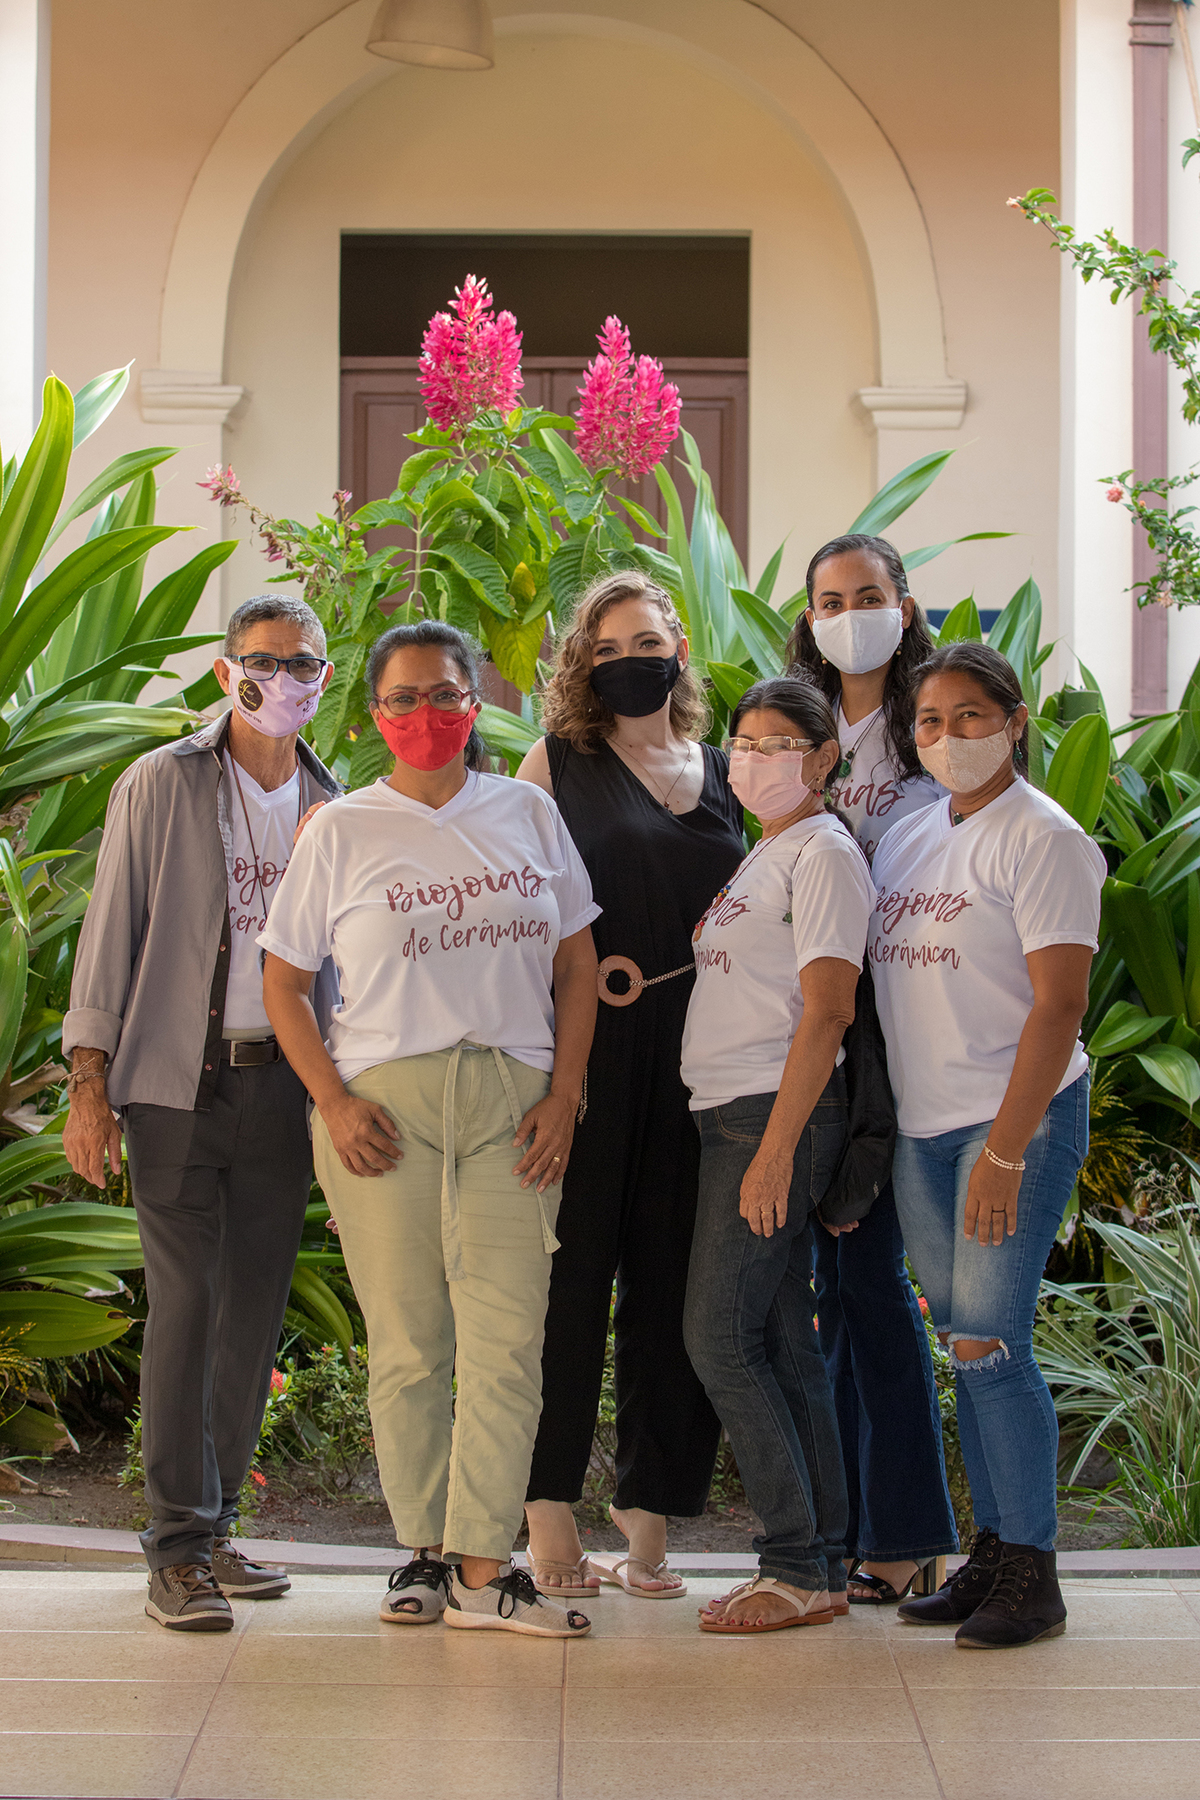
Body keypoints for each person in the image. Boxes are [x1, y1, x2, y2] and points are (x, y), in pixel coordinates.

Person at [260, 620, 600, 1639]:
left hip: (515, 1103)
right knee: (409, 1343)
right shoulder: (340, 829)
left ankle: (484, 1569)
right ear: (375, 714)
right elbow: (284, 983)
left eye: (445, 693)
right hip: (383, 1110)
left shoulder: (528, 811)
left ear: (473, 701)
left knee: (508, 1340)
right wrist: (333, 1100)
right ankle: (421, 1550)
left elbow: (578, 966)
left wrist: (566, 1094)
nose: (426, 713)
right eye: (403, 697)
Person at [62, 595, 339, 1631]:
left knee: (250, 1315)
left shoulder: (333, 800)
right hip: (178, 1084)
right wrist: (89, 1083)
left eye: (302, 663)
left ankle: (215, 1532)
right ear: (228, 672)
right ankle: (175, 1550)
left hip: (284, 1088)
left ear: (323, 677)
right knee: (186, 1308)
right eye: (262, 661)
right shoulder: (162, 781)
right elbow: (111, 928)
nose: (282, 679)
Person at [870, 641, 1104, 1648]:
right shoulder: (910, 837)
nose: (948, 735)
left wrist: (1008, 1150)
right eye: (930, 720)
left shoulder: (1044, 839)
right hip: (923, 1130)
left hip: (1014, 1123)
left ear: (1014, 722)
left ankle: (1034, 1576)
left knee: (994, 1344)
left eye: (970, 715)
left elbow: (1060, 1005)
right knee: (965, 1345)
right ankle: (995, 1551)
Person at [516, 571, 744, 1600]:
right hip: (591, 1047)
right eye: (606, 649)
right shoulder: (555, 764)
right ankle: (547, 1512)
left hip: (708, 1056)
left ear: (680, 649)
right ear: (582, 662)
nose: (628, 661)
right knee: (568, 1283)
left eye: (645, 642)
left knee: (672, 1288)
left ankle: (648, 1525)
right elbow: (521, 917)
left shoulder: (732, 770)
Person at [681, 677, 875, 1632]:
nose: (755, 759)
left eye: (779, 744)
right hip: (735, 1112)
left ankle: (792, 1562)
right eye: (745, 743)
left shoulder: (824, 854)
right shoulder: (770, 851)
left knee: (717, 1338)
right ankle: (825, 1565)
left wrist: (775, 1154)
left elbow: (828, 1011)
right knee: (781, 1340)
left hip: (769, 1117)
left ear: (825, 758)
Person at [786, 534, 958, 1605]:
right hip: (819, 1031)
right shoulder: (798, 728)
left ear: (904, 603)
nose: (850, 615)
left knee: (874, 1283)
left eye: (869, 595)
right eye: (830, 600)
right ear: (808, 618)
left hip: (909, 1029)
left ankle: (904, 1535)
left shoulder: (935, 721)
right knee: (836, 1289)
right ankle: (859, 1529)